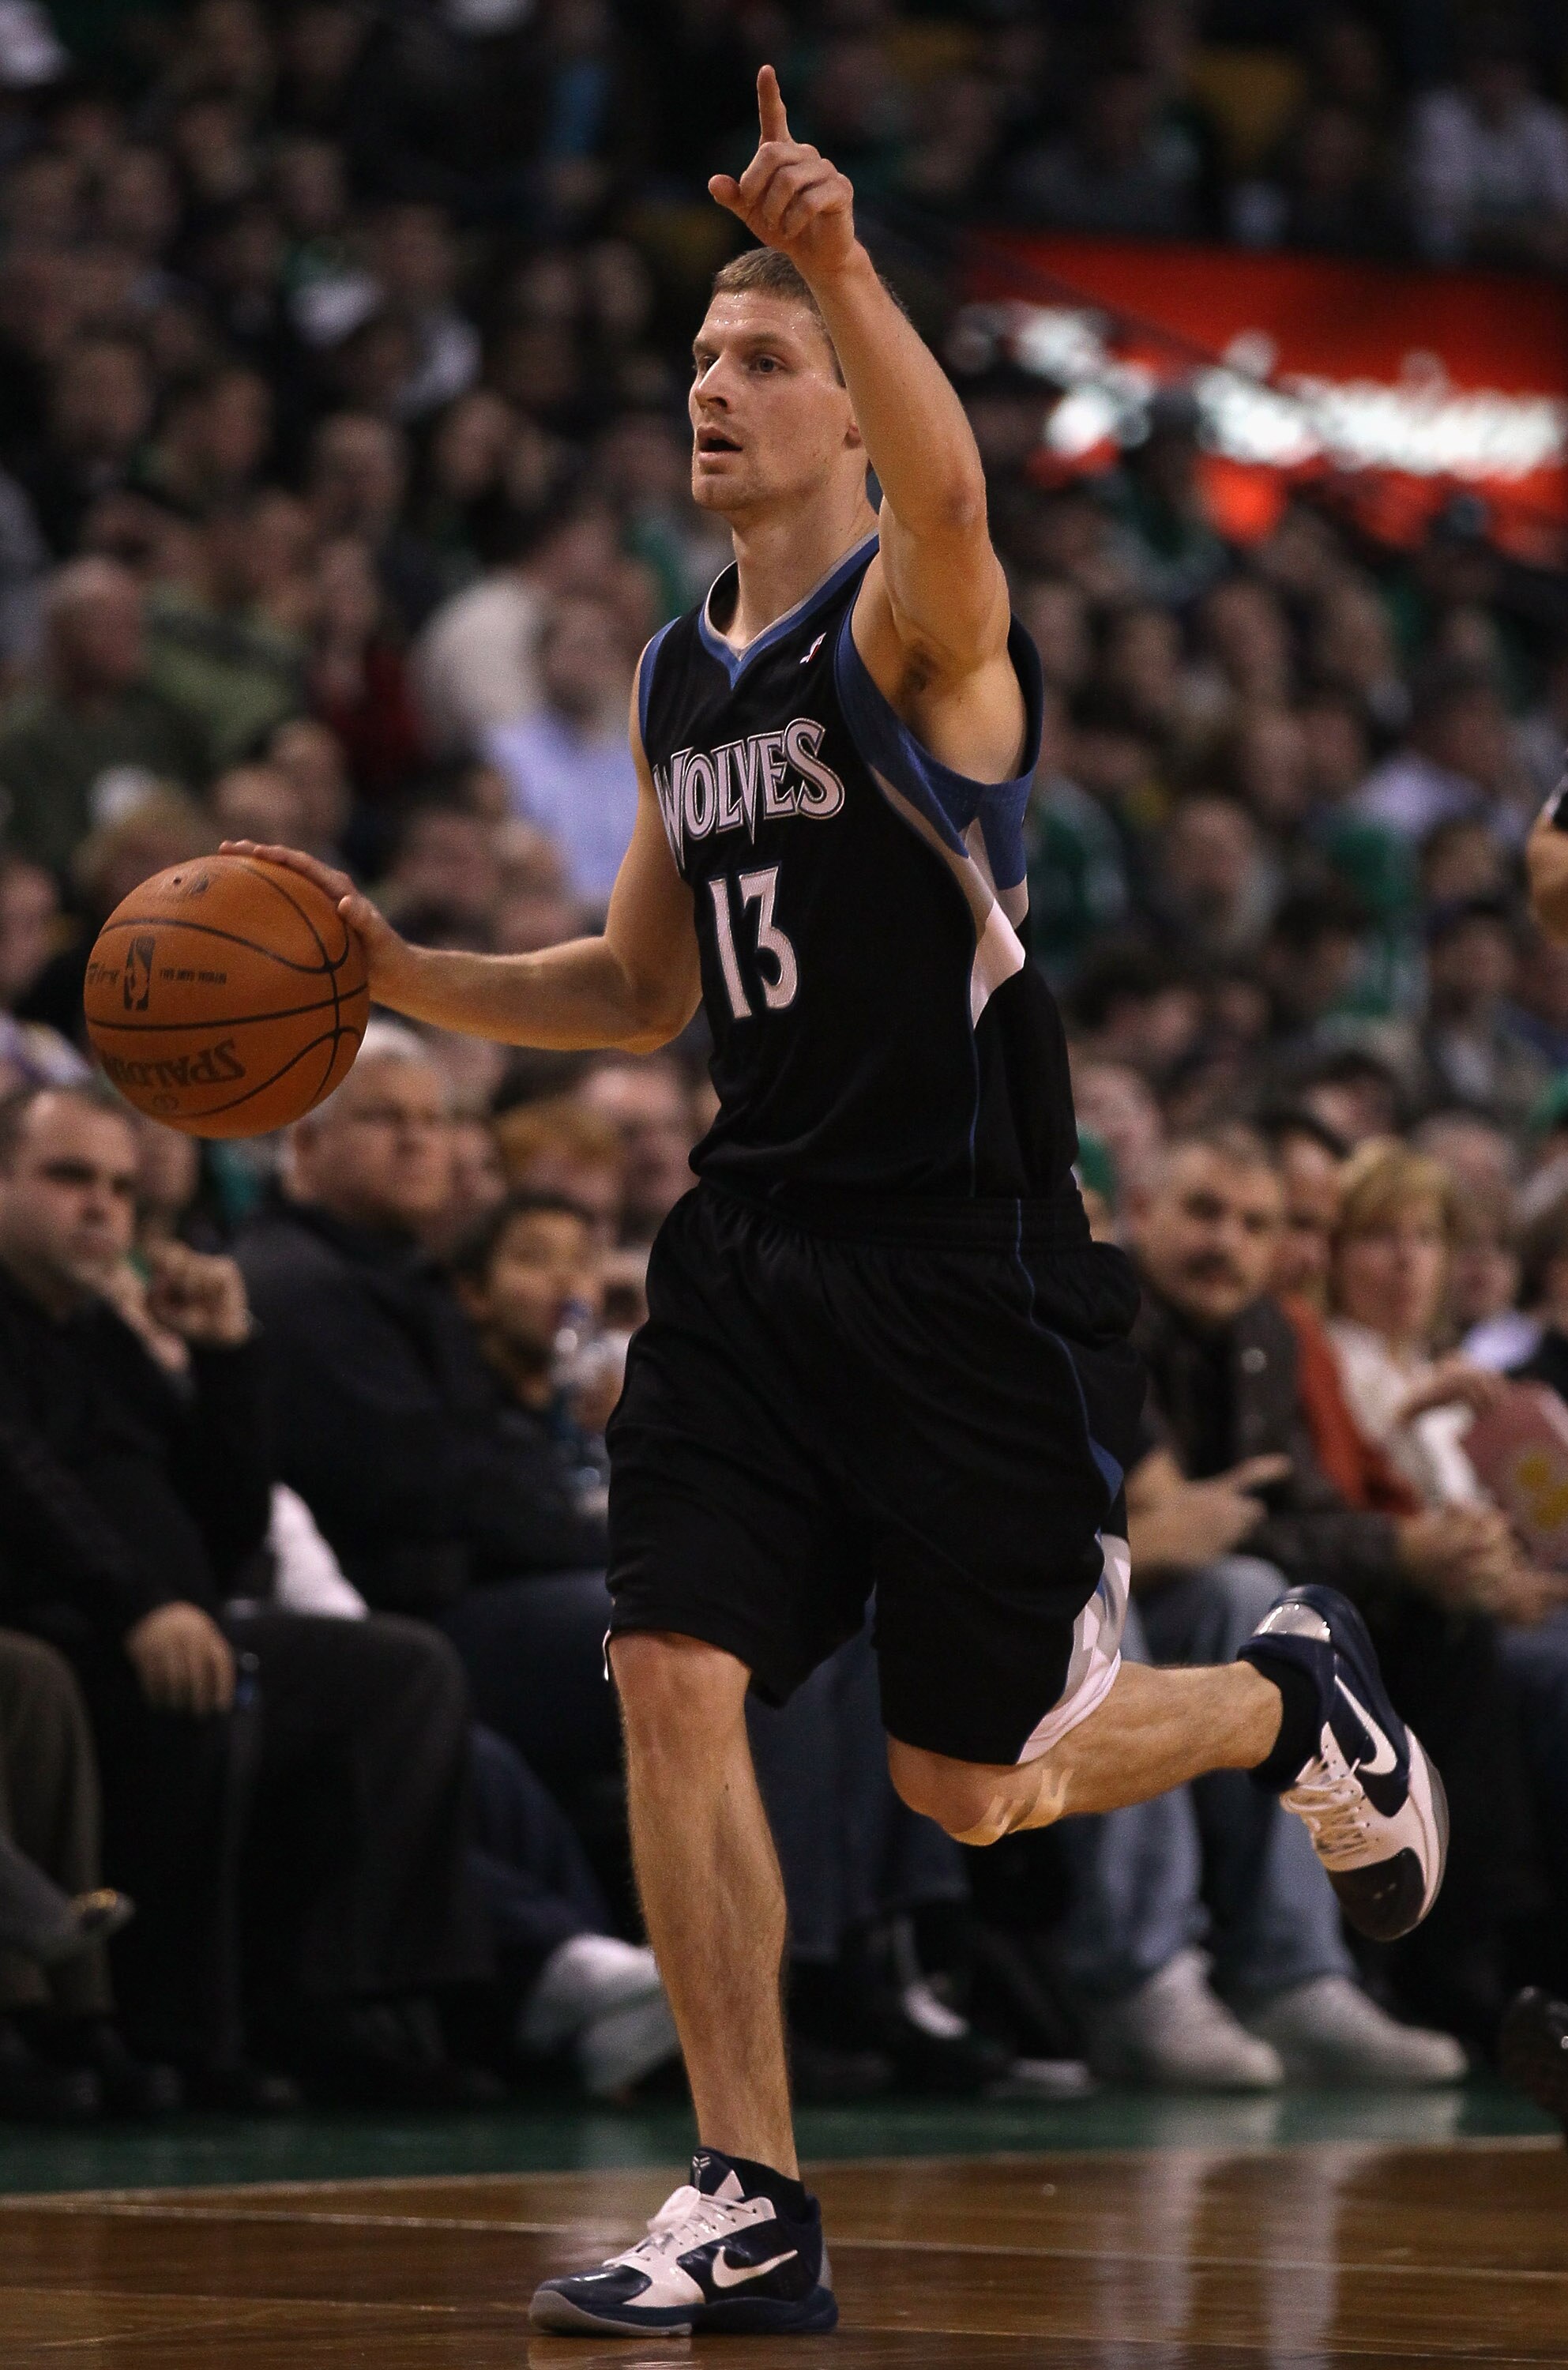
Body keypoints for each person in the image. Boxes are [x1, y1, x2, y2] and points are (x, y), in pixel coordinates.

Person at [229, 69, 1446, 2342]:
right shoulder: (678, 671)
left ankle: (1291, 1707)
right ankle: (750, 2192)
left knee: (974, 1791)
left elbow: (966, 482)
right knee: (669, 1670)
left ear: (852, 421)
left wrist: (843, 259)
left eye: (762, 356)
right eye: (703, 357)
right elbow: (628, 982)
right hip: (753, 1252)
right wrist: (398, 970)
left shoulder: (923, 627)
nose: (719, 381)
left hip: (964, 1263)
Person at [0, 1079, 491, 2106]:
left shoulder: (103, 1334)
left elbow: (228, 1528)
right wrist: (139, 1606)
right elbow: (29, 1487)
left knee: (400, 1673)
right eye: (68, 1178)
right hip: (67, 1621)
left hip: (167, 1617)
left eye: (122, 1190)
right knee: (191, 1692)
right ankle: (167, 2033)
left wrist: (227, 1364)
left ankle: (349, 2001)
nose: (101, 1208)